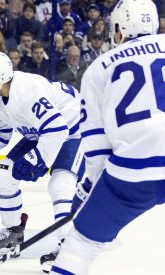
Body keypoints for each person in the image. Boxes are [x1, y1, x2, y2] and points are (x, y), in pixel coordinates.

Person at [50, 0, 164, 274]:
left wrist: (86, 192)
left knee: (78, 246)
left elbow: (97, 151)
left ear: (119, 27)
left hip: (135, 173)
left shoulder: (99, 68)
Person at [0, 52, 84, 272]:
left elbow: (58, 129)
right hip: (41, 134)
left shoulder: (28, 90)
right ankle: (13, 231)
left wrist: (37, 159)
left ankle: (69, 247)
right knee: (4, 175)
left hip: (75, 131)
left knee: (60, 183)